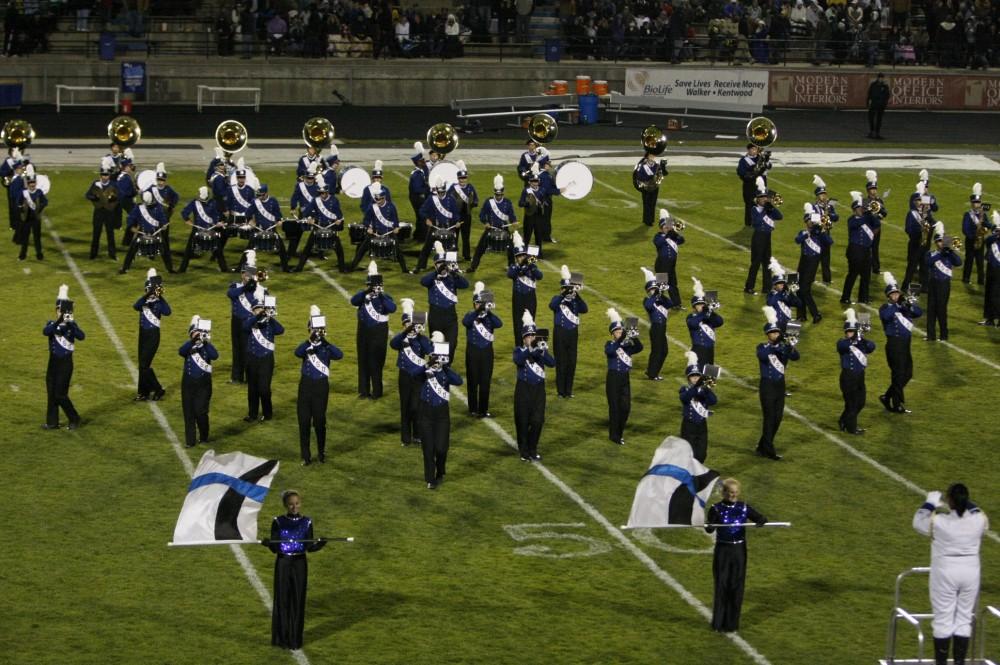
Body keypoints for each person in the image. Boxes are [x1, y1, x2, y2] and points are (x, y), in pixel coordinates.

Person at [912, 483, 988, 665]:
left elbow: (918, 521)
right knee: (963, 618)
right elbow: (976, 510)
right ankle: (960, 663)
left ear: (950, 501)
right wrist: (962, 502)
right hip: (971, 572)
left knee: (943, 619)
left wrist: (930, 503)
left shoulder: (939, 522)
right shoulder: (979, 520)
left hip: (945, 572)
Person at [262, 490, 328, 650]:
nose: (294, 507)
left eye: (297, 503)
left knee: (298, 600)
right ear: (285, 505)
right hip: (283, 562)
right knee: (282, 599)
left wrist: (320, 543)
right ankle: (281, 638)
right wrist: (269, 543)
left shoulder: (307, 522)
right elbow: (276, 548)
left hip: (300, 563)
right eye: (291, 504)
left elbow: (309, 547)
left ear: (300, 503)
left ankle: (294, 639)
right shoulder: (278, 521)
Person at [705, 478, 768, 632]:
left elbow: (760, 518)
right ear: (724, 492)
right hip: (723, 550)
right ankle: (718, 623)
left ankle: (732, 624)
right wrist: (710, 524)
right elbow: (709, 529)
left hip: (739, 550)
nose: (733, 495)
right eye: (730, 492)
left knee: (736, 586)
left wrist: (761, 521)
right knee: (721, 585)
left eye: (735, 492)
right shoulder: (716, 508)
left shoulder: (743, 507)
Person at [294, 306, 344, 465]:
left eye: (320, 329)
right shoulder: (306, 346)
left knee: (320, 421)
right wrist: (310, 340)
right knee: (303, 421)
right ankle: (305, 456)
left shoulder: (326, 347)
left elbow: (339, 355)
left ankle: (321, 452)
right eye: (315, 329)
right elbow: (297, 352)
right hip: (305, 386)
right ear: (309, 329)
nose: (317, 332)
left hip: (321, 387)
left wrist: (324, 341)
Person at [418, 333, 463, 489]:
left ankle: (441, 469)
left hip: (442, 414)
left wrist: (445, 367)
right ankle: (430, 478)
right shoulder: (424, 370)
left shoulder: (445, 372)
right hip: (425, 413)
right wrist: (428, 365)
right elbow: (414, 375)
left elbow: (459, 381)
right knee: (428, 449)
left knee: (441, 448)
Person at [756, 306, 799, 460]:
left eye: (777, 333)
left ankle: (763, 446)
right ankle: (768, 450)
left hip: (780, 385)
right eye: (773, 333)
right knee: (769, 418)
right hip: (767, 386)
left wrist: (790, 345)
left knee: (778, 417)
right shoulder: (763, 347)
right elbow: (763, 355)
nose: (775, 335)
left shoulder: (783, 347)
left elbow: (796, 357)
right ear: (768, 335)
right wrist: (777, 345)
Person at [349, 261, 396, 399]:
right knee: (363, 360)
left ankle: (377, 391)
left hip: (379, 333)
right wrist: (367, 291)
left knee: (376, 362)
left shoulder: (386, 297)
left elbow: (392, 308)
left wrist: (380, 295)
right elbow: (353, 301)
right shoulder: (363, 296)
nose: (374, 288)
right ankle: (363, 391)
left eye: (376, 286)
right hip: (363, 331)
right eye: (371, 285)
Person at [878, 271, 923, 414]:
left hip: (905, 344)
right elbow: (886, 316)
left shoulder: (904, 307)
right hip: (894, 345)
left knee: (907, 374)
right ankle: (896, 404)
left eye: (897, 293)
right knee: (897, 374)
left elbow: (918, 313)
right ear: (888, 296)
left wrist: (909, 304)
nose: (895, 296)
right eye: (893, 294)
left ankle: (887, 396)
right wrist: (897, 305)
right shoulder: (885, 307)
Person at [513, 310, 555, 461]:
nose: (531, 339)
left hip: (538, 390)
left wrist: (543, 351)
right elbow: (518, 360)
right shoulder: (519, 350)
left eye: (533, 336)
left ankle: (533, 448)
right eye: (528, 336)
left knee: (538, 420)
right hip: (523, 389)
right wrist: (531, 349)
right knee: (522, 421)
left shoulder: (540, 351)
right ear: (524, 339)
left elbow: (552, 363)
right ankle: (524, 450)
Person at [390, 299, 432, 447]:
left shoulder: (422, 339)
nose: (410, 327)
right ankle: (405, 438)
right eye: (407, 324)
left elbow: (429, 351)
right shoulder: (401, 338)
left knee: (416, 406)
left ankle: (418, 435)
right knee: (405, 406)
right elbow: (393, 344)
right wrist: (405, 332)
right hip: (404, 375)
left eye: (411, 324)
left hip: (419, 377)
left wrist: (420, 334)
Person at [43, 285, 84, 431]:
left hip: (65, 364)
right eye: (59, 310)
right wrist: (59, 320)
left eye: (63, 311)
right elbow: (46, 331)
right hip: (52, 363)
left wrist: (71, 324)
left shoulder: (72, 325)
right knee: (51, 393)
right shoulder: (51, 324)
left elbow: (81, 336)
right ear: (56, 310)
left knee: (60, 394)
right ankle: (52, 422)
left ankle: (75, 418)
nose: (61, 313)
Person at [421, 242, 469, 362]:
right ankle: (440, 370)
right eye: (439, 264)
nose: (442, 266)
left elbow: (465, 285)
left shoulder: (452, 277)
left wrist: (453, 273)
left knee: (451, 345)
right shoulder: (432, 278)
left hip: (450, 316)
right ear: (435, 265)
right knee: (438, 346)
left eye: (444, 264)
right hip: (435, 316)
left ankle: (447, 367)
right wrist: (437, 272)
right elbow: (423, 281)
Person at [243, 286, 285, 422]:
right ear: (252, 310)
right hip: (251, 358)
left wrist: (270, 317)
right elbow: (244, 327)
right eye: (257, 309)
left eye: (261, 309)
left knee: (264, 388)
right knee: (252, 388)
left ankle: (268, 414)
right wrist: (257, 316)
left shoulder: (270, 324)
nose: (260, 311)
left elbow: (281, 330)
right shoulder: (250, 321)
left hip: (266, 359)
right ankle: (252, 414)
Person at [349, 183, 409, 274]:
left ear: (384, 198)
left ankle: (405, 270)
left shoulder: (391, 207)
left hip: (388, 233)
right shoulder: (372, 207)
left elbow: (395, 221)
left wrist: (396, 227)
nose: (377, 201)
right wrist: (368, 228)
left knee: (398, 251)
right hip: (375, 232)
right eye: (376, 199)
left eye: (379, 199)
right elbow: (366, 220)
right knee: (361, 250)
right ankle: (351, 268)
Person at [462, 281, 502, 418]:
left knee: (485, 382)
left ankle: (483, 409)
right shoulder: (470, 315)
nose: (480, 306)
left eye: (481, 303)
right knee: (472, 381)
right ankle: (472, 408)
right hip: (472, 352)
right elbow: (466, 322)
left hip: (486, 353)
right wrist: (478, 311)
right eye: (478, 303)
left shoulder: (490, 318)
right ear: (474, 304)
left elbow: (499, 324)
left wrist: (488, 311)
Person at [605, 308, 643, 446]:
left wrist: (633, 336)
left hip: (624, 378)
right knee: (614, 408)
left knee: (626, 408)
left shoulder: (627, 347)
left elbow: (639, 347)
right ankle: (614, 435)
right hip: (613, 379)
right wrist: (622, 338)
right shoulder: (610, 344)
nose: (620, 333)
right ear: (613, 334)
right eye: (617, 331)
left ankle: (619, 432)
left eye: (621, 331)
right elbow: (610, 351)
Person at [178, 315, 217, 448]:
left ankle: (204, 436)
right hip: (188, 384)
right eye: (195, 332)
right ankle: (190, 441)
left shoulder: (206, 346)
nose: (198, 334)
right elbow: (181, 351)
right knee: (188, 412)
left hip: (204, 384)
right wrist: (193, 341)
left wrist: (205, 342)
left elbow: (215, 355)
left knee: (201, 412)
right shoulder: (189, 346)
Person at [550, 264, 588, 398]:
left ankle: (568, 391)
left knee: (571, 363)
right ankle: (561, 391)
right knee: (561, 363)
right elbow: (552, 305)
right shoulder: (557, 299)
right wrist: (563, 295)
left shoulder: (575, 302)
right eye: (566, 289)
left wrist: (576, 294)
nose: (568, 291)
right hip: (559, 334)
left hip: (573, 335)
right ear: (561, 289)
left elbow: (585, 309)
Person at [837, 308, 876, 435]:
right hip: (848, 377)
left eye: (853, 332)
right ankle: (851, 428)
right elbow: (842, 346)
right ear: (845, 332)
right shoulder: (842, 342)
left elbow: (872, 347)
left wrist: (862, 338)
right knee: (852, 403)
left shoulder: (862, 343)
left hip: (860, 376)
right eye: (849, 332)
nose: (851, 333)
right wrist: (854, 338)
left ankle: (843, 420)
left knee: (860, 402)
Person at [133, 268, 170, 401]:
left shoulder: (159, 303)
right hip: (142, 335)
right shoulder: (144, 302)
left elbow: (168, 312)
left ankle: (158, 389)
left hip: (153, 336)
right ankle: (143, 392)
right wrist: (147, 295)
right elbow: (135, 306)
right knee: (142, 365)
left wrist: (160, 296)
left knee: (144, 365)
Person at [295, 182, 346, 273]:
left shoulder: (334, 200)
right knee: (307, 248)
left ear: (327, 192)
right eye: (320, 193)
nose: (321, 195)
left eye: (323, 193)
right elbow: (306, 212)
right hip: (318, 226)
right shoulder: (316, 200)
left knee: (339, 249)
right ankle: (299, 268)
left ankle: (342, 268)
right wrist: (310, 218)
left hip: (331, 227)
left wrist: (338, 220)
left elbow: (339, 215)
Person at [470, 174, 517, 272]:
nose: (498, 196)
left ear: (503, 193)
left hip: (504, 229)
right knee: (480, 248)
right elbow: (482, 214)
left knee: (511, 248)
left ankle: (512, 267)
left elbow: (512, 215)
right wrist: (485, 222)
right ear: (494, 193)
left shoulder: (507, 202)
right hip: (490, 228)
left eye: (500, 195)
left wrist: (514, 222)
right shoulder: (489, 201)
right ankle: (473, 267)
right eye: (497, 194)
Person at [924, 222, 962, 341]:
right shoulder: (931, 253)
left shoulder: (949, 254)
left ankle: (944, 335)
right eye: (939, 241)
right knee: (931, 309)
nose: (941, 243)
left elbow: (959, 262)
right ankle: (931, 335)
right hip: (933, 283)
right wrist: (941, 254)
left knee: (941, 309)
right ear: (936, 243)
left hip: (944, 285)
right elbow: (928, 262)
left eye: (943, 241)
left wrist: (950, 251)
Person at [744, 177, 782, 294]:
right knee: (755, 263)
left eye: (765, 197)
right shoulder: (754, 209)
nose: (765, 199)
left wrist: (772, 208)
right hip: (758, 237)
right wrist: (765, 210)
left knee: (767, 263)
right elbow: (756, 222)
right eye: (762, 198)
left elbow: (780, 216)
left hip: (767, 237)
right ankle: (749, 287)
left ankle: (767, 287)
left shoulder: (769, 208)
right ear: (758, 199)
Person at [839, 191, 878, 305]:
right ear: (854, 209)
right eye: (859, 208)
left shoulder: (868, 217)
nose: (861, 209)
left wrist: (871, 213)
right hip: (855, 250)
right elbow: (857, 223)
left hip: (866, 250)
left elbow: (877, 224)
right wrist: (867, 214)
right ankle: (845, 297)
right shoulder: (851, 220)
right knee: (853, 274)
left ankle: (863, 297)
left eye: (862, 208)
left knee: (866, 276)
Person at [119, 191, 172, 275]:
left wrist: (164, 224)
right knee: (131, 251)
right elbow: (130, 218)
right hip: (142, 233)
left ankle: (170, 269)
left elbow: (163, 218)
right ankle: (125, 268)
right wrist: (132, 227)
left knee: (165, 251)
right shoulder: (139, 207)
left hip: (155, 233)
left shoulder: (158, 207)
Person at [415, 176, 461, 272]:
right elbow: (422, 211)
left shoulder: (451, 199)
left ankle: (452, 268)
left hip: (449, 228)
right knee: (426, 248)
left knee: (452, 248)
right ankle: (419, 267)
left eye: (442, 192)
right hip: (435, 227)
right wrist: (427, 219)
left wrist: (457, 222)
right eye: (439, 192)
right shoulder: (432, 199)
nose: (440, 194)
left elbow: (456, 213)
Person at [679, 350, 717, 463]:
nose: (695, 378)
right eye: (692, 376)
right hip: (688, 426)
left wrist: (707, 390)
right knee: (689, 454)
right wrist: (697, 387)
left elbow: (713, 401)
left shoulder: (704, 390)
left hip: (701, 426)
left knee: (701, 454)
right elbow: (684, 398)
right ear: (688, 378)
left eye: (697, 376)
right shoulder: (684, 389)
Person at [795, 211, 832, 324]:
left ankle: (816, 314)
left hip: (813, 263)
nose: (811, 223)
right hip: (803, 262)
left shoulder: (819, 234)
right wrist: (808, 233)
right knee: (798, 289)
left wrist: (821, 231)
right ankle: (801, 315)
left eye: (812, 221)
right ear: (806, 222)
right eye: (809, 221)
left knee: (805, 290)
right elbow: (797, 240)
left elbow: (830, 242)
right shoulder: (803, 232)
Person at [227, 257, 260, 384]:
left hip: (250, 321)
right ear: (242, 274)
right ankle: (236, 377)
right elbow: (230, 294)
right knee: (237, 349)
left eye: (251, 274)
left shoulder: (258, 289)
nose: (248, 277)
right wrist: (245, 288)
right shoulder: (236, 286)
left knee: (248, 349)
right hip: (235, 321)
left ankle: (250, 377)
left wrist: (255, 287)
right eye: (246, 274)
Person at [178, 186, 227, 273]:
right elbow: (184, 213)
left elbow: (216, 216)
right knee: (189, 250)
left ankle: (224, 269)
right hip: (197, 230)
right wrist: (187, 220)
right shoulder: (196, 202)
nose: (197, 195)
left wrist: (218, 223)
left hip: (211, 229)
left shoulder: (212, 203)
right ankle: (182, 269)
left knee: (218, 250)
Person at [507, 232, 542, 343]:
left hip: (530, 298)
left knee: (530, 321)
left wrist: (531, 266)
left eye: (523, 255)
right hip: (517, 298)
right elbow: (510, 274)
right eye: (519, 256)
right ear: (516, 257)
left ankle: (530, 342)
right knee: (517, 322)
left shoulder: (531, 266)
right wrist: (520, 266)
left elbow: (540, 276)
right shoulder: (514, 266)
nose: (521, 258)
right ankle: (518, 344)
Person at [144, 162, 180, 270]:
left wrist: (171, 205)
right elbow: (144, 195)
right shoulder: (151, 188)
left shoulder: (168, 189)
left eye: (162, 180)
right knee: (153, 235)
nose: (161, 182)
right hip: (154, 216)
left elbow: (176, 196)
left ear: (165, 180)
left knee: (164, 236)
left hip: (164, 216)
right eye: (159, 180)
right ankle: (151, 252)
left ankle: (166, 251)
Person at [248, 184, 290, 273]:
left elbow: (278, 213)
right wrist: (250, 220)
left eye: (261, 195)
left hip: (271, 229)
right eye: (258, 195)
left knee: (282, 248)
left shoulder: (273, 201)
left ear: (266, 193)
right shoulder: (255, 202)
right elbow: (248, 213)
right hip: (258, 229)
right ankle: (244, 269)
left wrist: (279, 221)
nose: (259, 197)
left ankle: (286, 268)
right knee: (249, 250)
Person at [641, 267, 674, 381]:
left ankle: (653, 371)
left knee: (664, 351)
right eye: (652, 289)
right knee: (657, 351)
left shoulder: (663, 301)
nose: (653, 290)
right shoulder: (647, 300)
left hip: (662, 328)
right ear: (648, 290)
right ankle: (652, 373)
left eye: (654, 289)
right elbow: (649, 306)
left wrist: (661, 292)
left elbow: (671, 303)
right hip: (656, 328)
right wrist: (656, 294)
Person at [902, 182, 935, 292]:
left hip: (925, 244)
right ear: (914, 202)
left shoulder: (926, 214)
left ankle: (924, 286)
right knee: (912, 266)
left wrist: (929, 225)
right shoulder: (911, 214)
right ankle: (906, 285)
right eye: (917, 200)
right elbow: (908, 229)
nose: (920, 202)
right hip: (915, 243)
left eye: (921, 200)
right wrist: (919, 230)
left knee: (924, 266)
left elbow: (933, 224)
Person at [86, 158, 120, 260]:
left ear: (109, 175)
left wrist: (114, 199)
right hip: (99, 211)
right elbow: (87, 195)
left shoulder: (113, 185)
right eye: (103, 175)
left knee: (110, 233)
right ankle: (93, 254)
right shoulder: (96, 184)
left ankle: (112, 254)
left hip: (109, 212)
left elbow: (119, 196)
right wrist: (94, 197)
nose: (105, 177)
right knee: (96, 233)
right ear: (100, 175)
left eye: (106, 175)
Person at [808, 175, 839, 284]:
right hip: (816, 236)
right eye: (821, 194)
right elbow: (812, 219)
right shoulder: (812, 207)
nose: (824, 197)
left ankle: (827, 279)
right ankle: (810, 278)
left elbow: (836, 218)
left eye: (824, 194)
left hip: (825, 235)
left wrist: (829, 213)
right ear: (817, 196)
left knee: (826, 259)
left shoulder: (829, 207)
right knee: (815, 259)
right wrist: (823, 217)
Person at [688, 277, 724, 366]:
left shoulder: (709, 316)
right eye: (698, 305)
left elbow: (720, 322)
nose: (701, 306)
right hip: (698, 349)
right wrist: (704, 312)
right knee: (699, 373)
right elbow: (693, 324)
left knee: (709, 374)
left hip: (710, 349)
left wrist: (711, 311)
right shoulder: (691, 317)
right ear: (694, 307)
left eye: (702, 304)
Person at [653, 209, 684, 306]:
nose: (667, 228)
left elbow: (682, 240)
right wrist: (668, 235)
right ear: (661, 228)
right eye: (665, 227)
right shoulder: (658, 236)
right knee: (661, 285)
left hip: (671, 265)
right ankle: (657, 303)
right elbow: (658, 242)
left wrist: (674, 232)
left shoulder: (673, 236)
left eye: (668, 227)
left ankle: (676, 303)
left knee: (673, 284)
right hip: (661, 264)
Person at [287, 165, 319, 259]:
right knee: (298, 232)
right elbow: (295, 197)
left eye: (312, 178)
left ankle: (317, 252)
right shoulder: (300, 186)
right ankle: (291, 251)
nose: (310, 180)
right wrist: (293, 207)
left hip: (315, 213)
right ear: (305, 177)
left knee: (317, 232)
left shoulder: (317, 187)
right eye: (308, 178)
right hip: (304, 212)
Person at [450, 161, 479, 261]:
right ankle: (453, 255)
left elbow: (476, 199)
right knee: (454, 236)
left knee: (466, 237)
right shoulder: (453, 187)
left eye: (464, 178)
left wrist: (473, 203)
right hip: (456, 216)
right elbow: (448, 200)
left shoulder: (470, 187)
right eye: (461, 178)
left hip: (466, 215)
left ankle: (466, 256)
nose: (463, 180)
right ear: (458, 179)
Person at [16, 166, 46, 261]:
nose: (32, 185)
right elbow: (18, 202)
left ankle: (39, 254)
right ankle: (22, 255)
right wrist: (21, 209)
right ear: (28, 184)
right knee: (25, 238)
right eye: (30, 183)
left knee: (37, 238)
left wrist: (40, 207)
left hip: (36, 219)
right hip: (26, 219)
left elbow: (45, 202)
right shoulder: (23, 192)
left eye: (33, 183)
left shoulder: (39, 192)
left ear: (35, 183)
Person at [737, 144, 770, 227]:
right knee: (750, 205)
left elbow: (769, 166)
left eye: (755, 149)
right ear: (748, 150)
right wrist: (753, 172)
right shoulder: (744, 160)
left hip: (761, 185)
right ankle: (749, 223)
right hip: (749, 186)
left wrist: (766, 162)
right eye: (752, 149)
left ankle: (761, 222)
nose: (754, 151)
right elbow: (742, 173)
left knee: (762, 204)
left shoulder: (761, 158)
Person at [765, 258, 801, 332]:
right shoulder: (771, 294)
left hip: (789, 323)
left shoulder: (786, 293)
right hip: (777, 325)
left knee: (791, 342)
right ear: (774, 285)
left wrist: (792, 294)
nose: (782, 285)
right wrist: (781, 295)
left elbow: (799, 304)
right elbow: (770, 303)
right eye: (779, 283)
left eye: (783, 283)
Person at [519, 166, 548, 259]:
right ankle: (524, 254)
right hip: (529, 216)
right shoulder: (526, 191)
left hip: (539, 216)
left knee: (538, 235)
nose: (535, 183)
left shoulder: (542, 190)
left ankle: (539, 254)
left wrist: (544, 204)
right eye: (533, 181)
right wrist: (527, 204)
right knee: (527, 235)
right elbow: (520, 203)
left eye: (536, 181)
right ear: (529, 182)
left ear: (538, 182)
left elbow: (545, 201)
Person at [961, 183, 986, 285]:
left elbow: (988, 224)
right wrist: (974, 236)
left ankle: (981, 280)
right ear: (971, 203)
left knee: (980, 262)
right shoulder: (968, 214)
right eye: (975, 202)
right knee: (969, 260)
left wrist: (986, 228)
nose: (977, 204)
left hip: (980, 241)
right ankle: (966, 278)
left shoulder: (983, 214)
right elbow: (965, 229)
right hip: (971, 241)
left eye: (978, 202)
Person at [864, 170, 888, 274]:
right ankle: (866, 266)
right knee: (867, 248)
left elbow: (885, 213)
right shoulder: (865, 201)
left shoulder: (879, 201)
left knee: (875, 248)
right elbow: (864, 213)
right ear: (868, 190)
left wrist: (880, 214)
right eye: (871, 189)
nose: (874, 191)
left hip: (877, 227)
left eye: (875, 189)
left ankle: (876, 267)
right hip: (868, 227)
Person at [634, 151, 664, 227]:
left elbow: (661, 174)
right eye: (651, 155)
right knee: (647, 204)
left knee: (653, 204)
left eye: (653, 155)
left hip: (655, 187)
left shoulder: (656, 165)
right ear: (647, 156)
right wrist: (647, 180)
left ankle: (651, 220)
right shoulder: (642, 165)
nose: (652, 157)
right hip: (645, 187)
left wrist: (658, 181)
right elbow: (639, 176)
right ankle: (647, 220)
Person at [408, 144, 431, 243]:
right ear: (418, 163)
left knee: (419, 216)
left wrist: (420, 153)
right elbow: (417, 189)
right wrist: (428, 188)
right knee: (422, 217)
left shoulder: (421, 170)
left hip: (418, 197)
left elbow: (426, 170)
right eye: (422, 161)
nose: (424, 162)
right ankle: (422, 237)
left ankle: (417, 234)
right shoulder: (417, 174)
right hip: (417, 197)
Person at [981, 215, 1000, 327]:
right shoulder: (992, 239)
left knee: (995, 294)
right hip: (991, 268)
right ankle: (990, 319)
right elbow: (987, 240)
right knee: (989, 293)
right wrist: (997, 233)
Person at [866, 72, 890, 139]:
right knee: (871, 118)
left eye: (882, 78)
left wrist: (884, 103)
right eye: (880, 78)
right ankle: (872, 131)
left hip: (881, 105)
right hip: (873, 104)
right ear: (878, 78)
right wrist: (868, 103)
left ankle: (877, 133)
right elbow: (869, 94)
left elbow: (887, 96)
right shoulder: (873, 85)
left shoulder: (885, 86)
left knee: (879, 119)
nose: (881, 79)